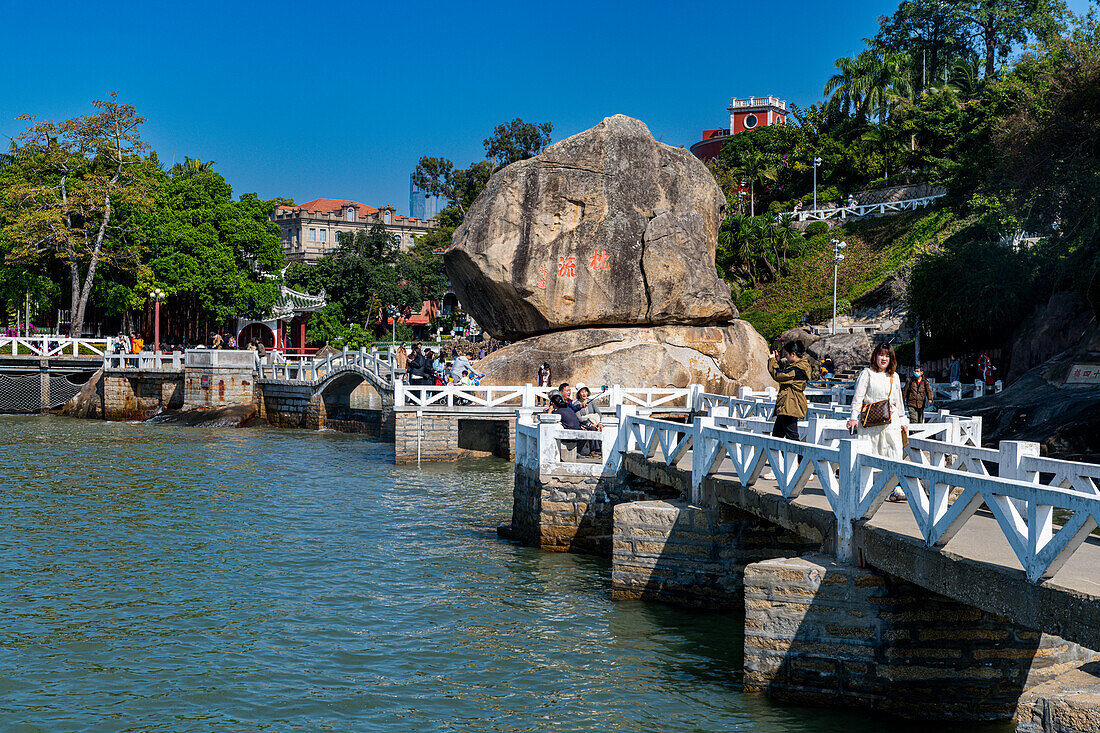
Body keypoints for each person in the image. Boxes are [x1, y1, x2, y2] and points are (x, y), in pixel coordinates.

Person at [847, 343, 909, 501]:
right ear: (875, 356)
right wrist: (853, 417)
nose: (884, 358)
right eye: (881, 355)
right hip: (870, 423)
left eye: (887, 356)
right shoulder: (867, 374)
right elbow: (858, 397)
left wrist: (903, 420)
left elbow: (898, 402)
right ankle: (868, 489)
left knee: (894, 451)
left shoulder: (894, 376)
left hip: (891, 422)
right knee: (870, 452)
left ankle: (894, 487)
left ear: (891, 359)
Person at [768, 340, 811, 441]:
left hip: (791, 405)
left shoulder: (797, 370)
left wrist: (772, 361)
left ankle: (799, 457)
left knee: (792, 438)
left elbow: (778, 375)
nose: (785, 357)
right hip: (786, 404)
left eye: (786, 354)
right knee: (777, 438)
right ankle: (785, 457)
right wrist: (778, 362)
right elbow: (786, 374)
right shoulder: (799, 367)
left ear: (793, 354)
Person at [549, 392, 591, 457]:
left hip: (570, 435)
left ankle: (575, 453)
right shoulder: (568, 408)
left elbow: (549, 420)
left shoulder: (558, 412)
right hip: (579, 432)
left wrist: (550, 411)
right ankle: (578, 452)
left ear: (553, 403)